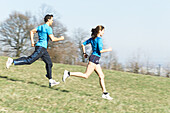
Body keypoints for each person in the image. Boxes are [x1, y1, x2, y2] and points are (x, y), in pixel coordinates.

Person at [6, 14, 64, 87]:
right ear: (48, 20)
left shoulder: (41, 27)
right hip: (41, 48)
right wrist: (61, 38)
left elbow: (31, 31)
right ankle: (12, 61)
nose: (53, 21)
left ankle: (51, 80)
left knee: (49, 63)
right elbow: (53, 39)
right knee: (30, 60)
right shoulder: (48, 28)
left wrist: (32, 42)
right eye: (52, 20)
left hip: (42, 48)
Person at [62, 25, 113, 100]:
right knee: (86, 75)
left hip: (94, 59)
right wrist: (108, 50)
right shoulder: (99, 39)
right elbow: (101, 50)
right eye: (103, 31)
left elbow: (83, 44)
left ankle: (105, 93)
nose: (103, 33)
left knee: (101, 75)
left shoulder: (92, 39)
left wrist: (84, 53)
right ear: (100, 31)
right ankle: (68, 73)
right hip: (94, 59)